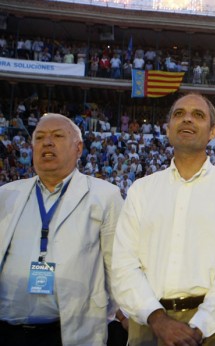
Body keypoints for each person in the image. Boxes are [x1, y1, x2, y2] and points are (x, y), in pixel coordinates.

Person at [111, 93, 215, 346]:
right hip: (150, 325)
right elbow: (124, 265)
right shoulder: (141, 190)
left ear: (212, 132)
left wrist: (198, 328)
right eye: (179, 114)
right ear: (168, 129)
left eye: (198, 115)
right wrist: (158, 320)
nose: (187, 119)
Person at [0, 113, 123, 345]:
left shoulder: (104, 195)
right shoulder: (7, 194)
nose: (47, 142)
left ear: (78, 148)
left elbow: (116, 266)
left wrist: (122, 313)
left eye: (57, 136)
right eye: (40, 137)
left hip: (69, 332)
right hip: (8, 331)